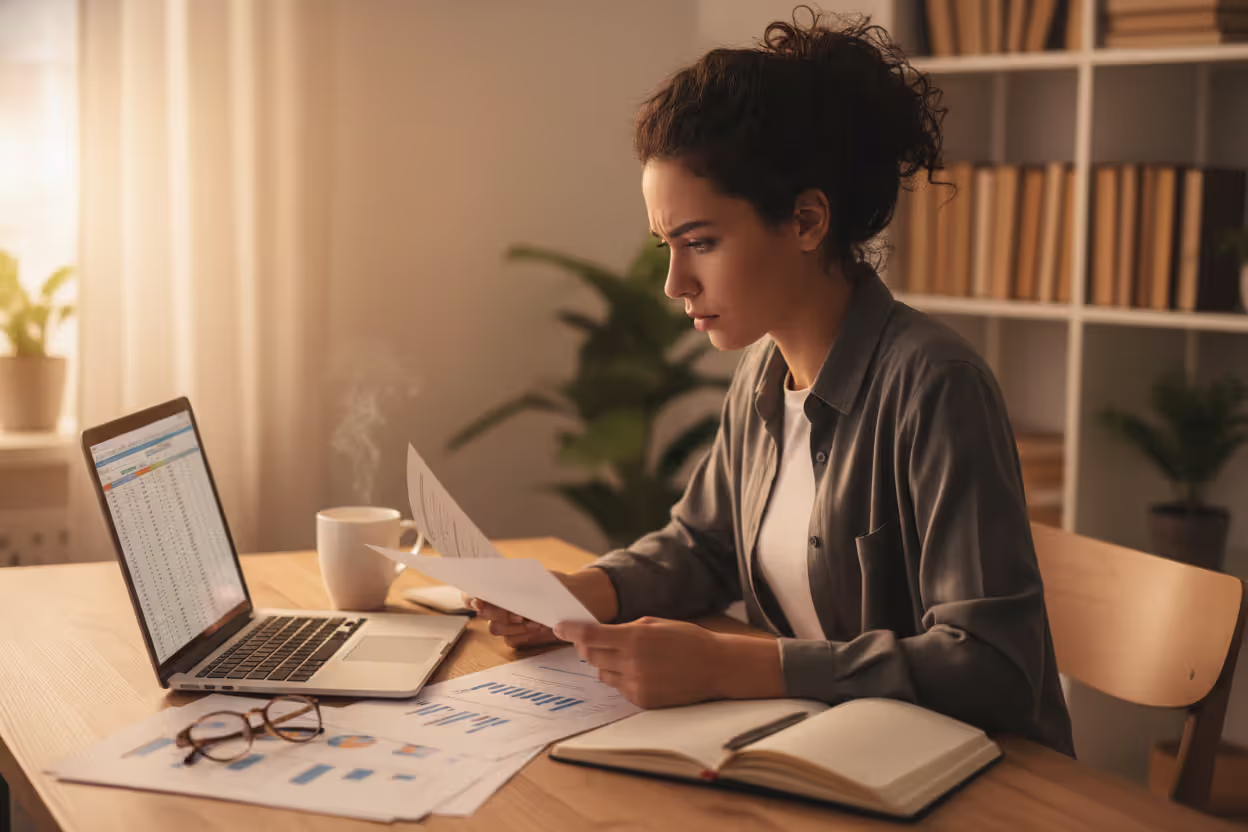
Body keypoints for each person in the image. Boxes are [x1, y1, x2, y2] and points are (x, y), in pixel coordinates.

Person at [467, 8, 1075, 757]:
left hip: (979, 779)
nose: (674, 283)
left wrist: (736, 665)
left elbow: (992, 668)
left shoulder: (935, 386)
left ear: (808, 221)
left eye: (701, 243)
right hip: (835, 751)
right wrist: (584, 592)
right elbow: (705, 546)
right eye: (666, 245)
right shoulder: (763, 373)